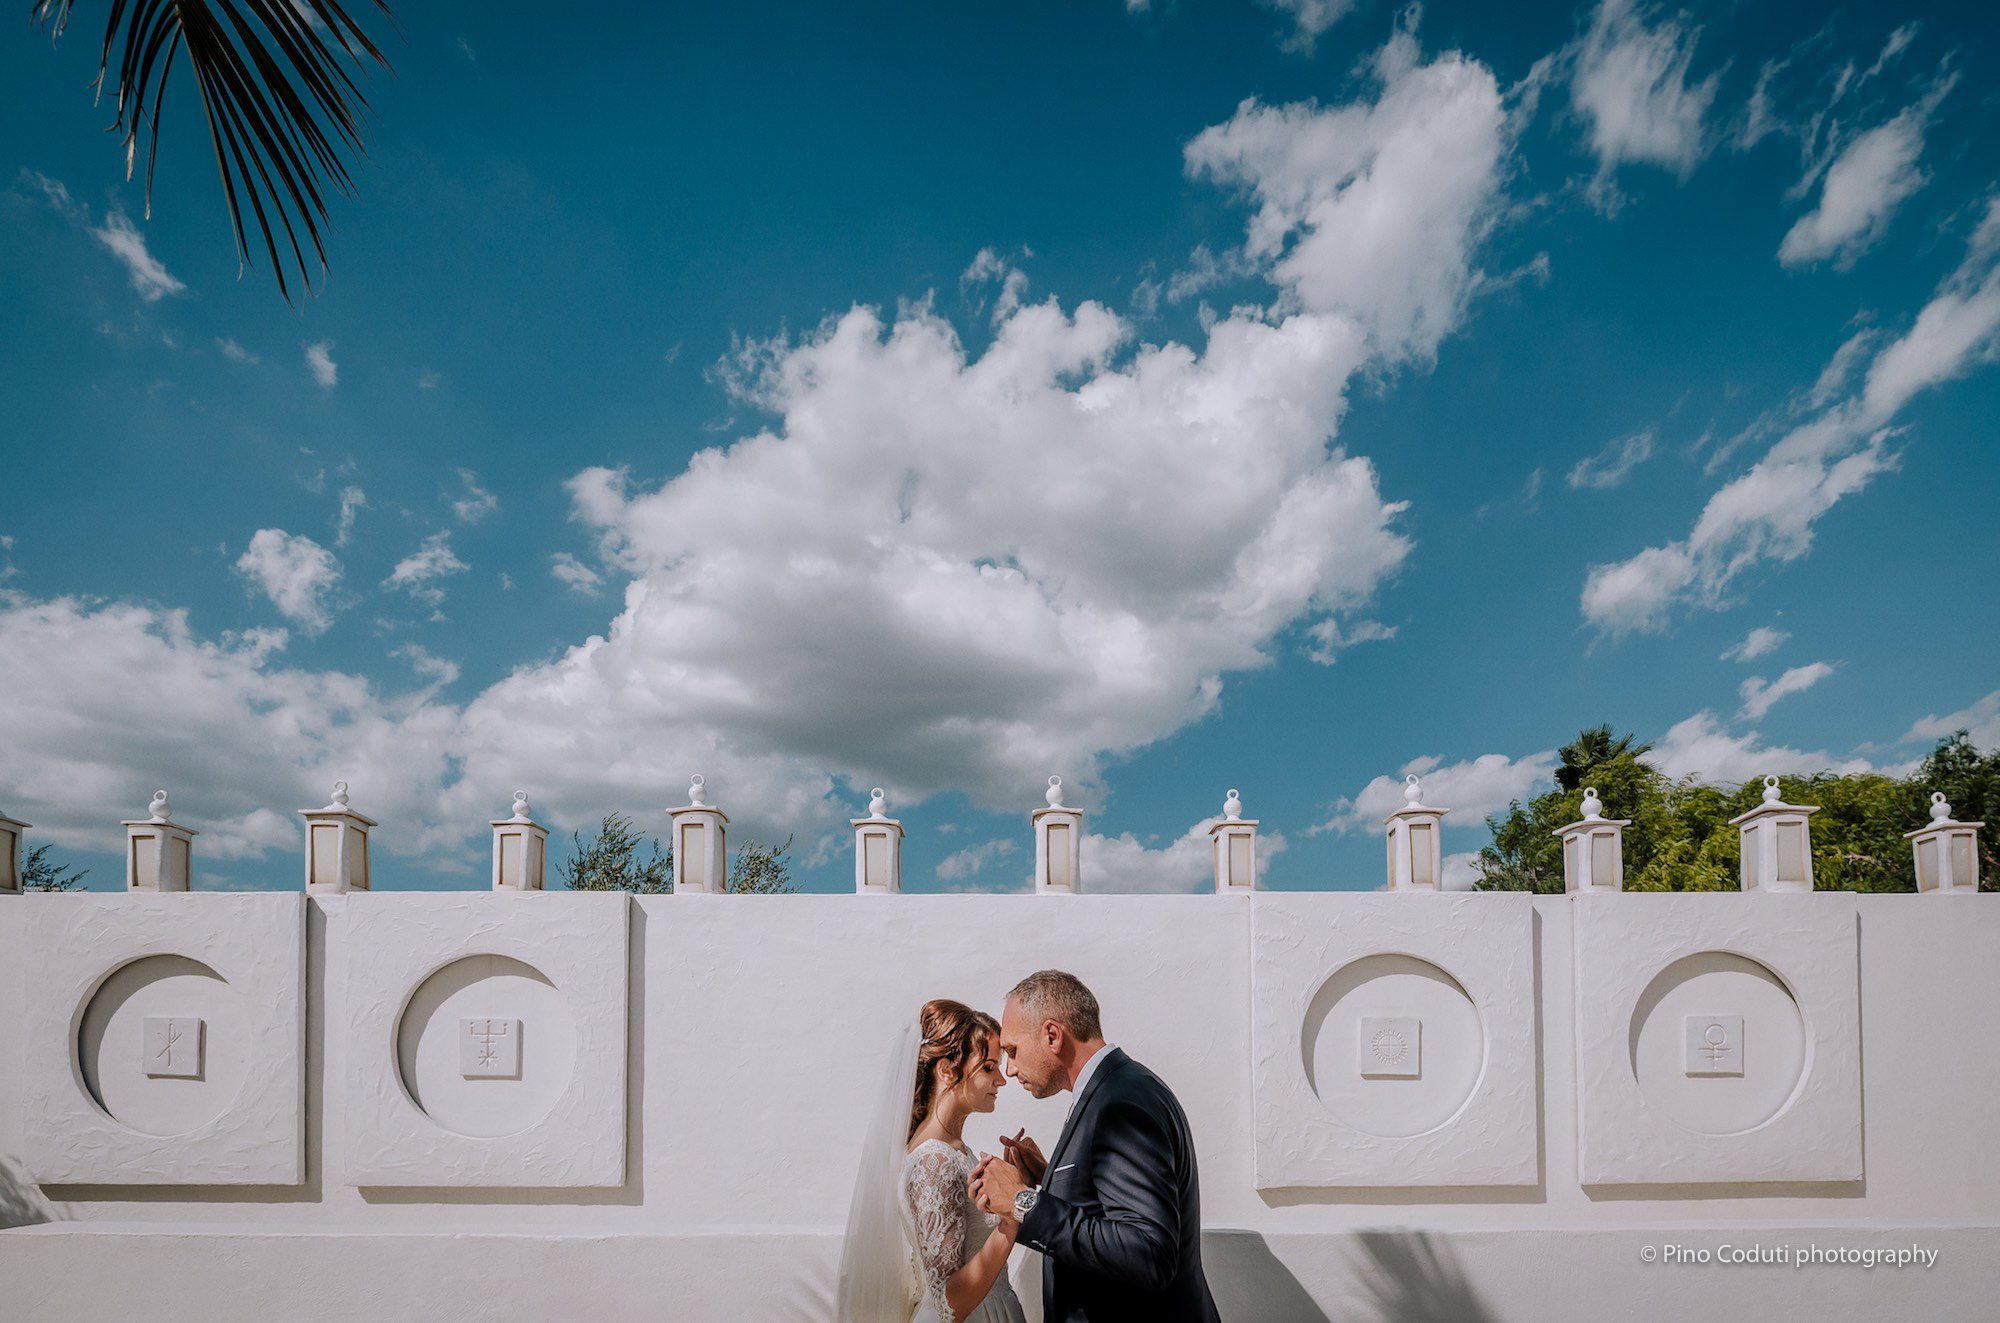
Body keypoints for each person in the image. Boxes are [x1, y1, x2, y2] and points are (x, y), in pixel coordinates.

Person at [970, 970, 1219, 1323]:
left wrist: (1024, 1202)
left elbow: (1148, 1253)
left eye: (1012, 1050)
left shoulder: (1121, 1103)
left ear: (1052, 1035)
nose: (1009, 1069)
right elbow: (1108, 1211)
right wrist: (1047, 1181)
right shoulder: (1119, 1088)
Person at [837, 999, 1029, 1323]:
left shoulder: (955, 1152)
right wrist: (1012, 1217)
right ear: (946, 1069)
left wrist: (1020, 1182)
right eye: (988, 1067)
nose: (1001, 1079)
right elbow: (950, 1303)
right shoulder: (933, 1163)